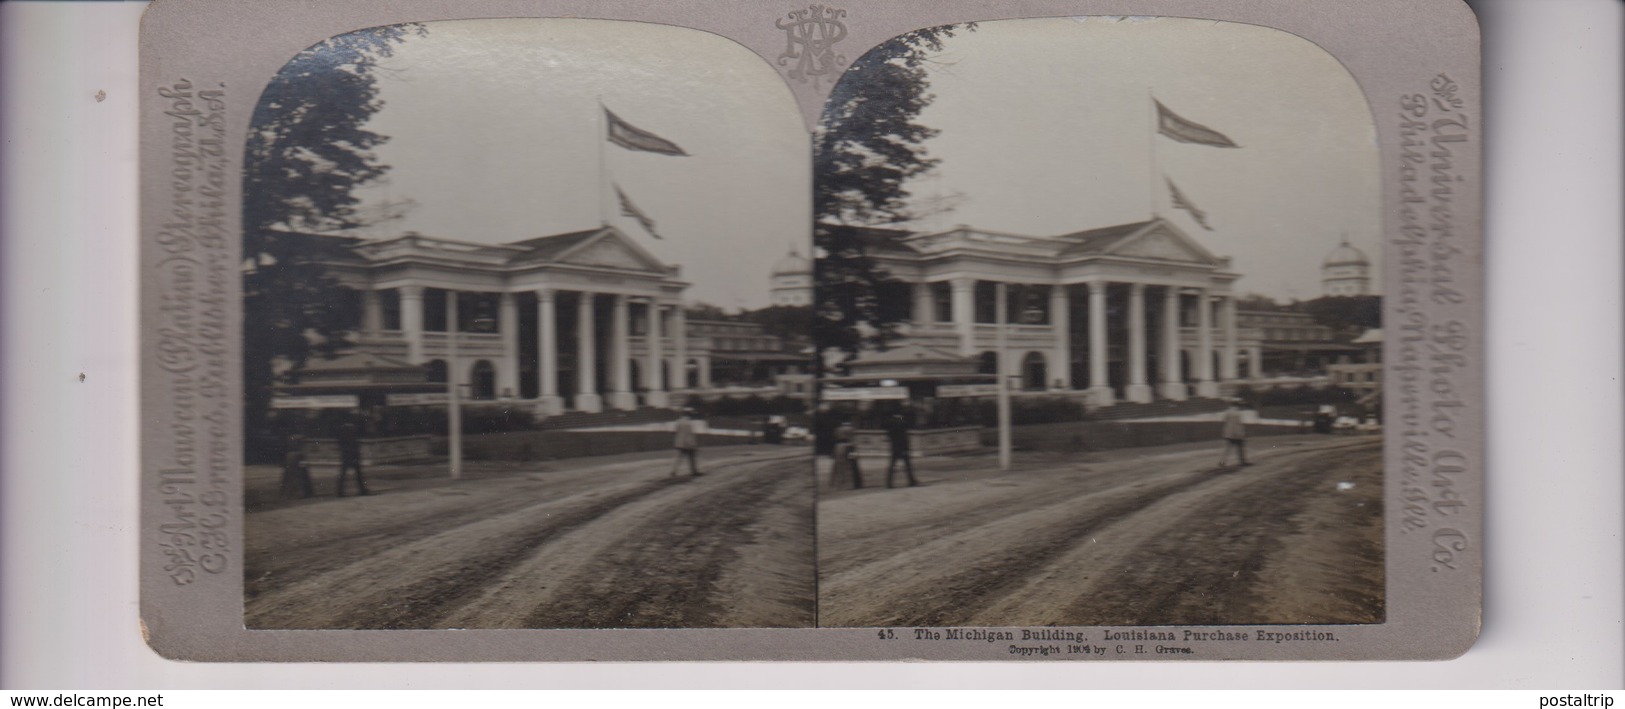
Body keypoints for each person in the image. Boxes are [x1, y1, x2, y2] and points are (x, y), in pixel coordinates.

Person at [336, 420, 371, 496]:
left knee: (345, 475)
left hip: (348, 457)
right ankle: (362, 490)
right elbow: (355, 447)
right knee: (357, 475)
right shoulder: (351, 437)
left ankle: (340, 492)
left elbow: (342, 446)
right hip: (352, 457)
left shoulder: (343, 437)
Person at [882, 414, 918, 488]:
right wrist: (907, 448)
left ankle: (889, 483)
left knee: (892, 466)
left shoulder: (890, 427)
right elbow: (904, 439)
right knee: (907, 466)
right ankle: (911, 481)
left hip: (895, 448)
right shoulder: (901, 427)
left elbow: (890, 436)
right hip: (902, 448)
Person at [830, 419, 863, 490]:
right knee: (850, 465)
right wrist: (854, 449)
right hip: (848, 446)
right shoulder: (851, 429)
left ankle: (837, 484)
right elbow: (853, 439)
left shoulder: (837, 429)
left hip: (838, 447)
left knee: (838, 466)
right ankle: (851, 484)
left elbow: (834, 439)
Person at [1217, 401, 1250, 468]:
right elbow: (1240, 424)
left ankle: (1222, 462)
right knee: (1240, 448)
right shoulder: (1238, 413)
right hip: (1237, 433)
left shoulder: (1227, 412)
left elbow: (1224, 421)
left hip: (1228, 433)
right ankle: (1242, 461)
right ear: (1237, 405)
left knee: (1226, 449)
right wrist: (1242, 433)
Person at [671, 410, 701, 477]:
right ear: (689, 415)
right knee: (691, 458)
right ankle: (694, 471)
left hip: (679, 443)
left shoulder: (678, 422)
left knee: (678, 458)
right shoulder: (690, 423)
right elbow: (691, 434)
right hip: (688, 444)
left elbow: (675, 432)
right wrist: (694, 445)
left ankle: (673, 471)